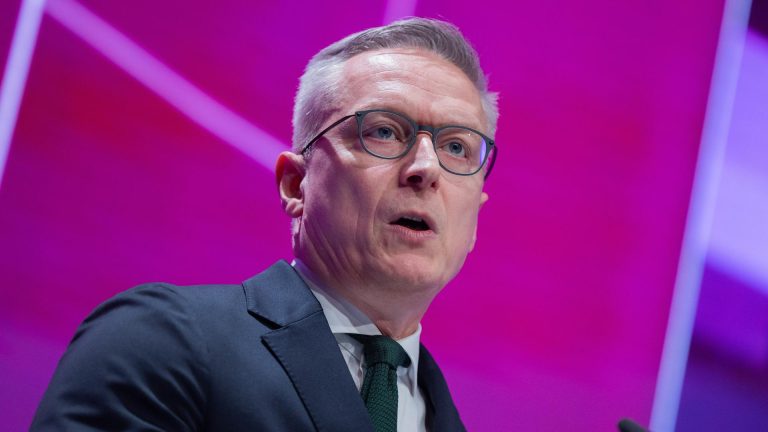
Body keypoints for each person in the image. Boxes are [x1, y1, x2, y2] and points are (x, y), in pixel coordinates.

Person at [31, 17, 498, 432]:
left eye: (456, 147)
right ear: (296, 184)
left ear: (475, 217)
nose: (426, 168)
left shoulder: (444, 416)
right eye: (383, 131)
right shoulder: (160, 340)